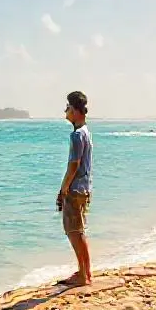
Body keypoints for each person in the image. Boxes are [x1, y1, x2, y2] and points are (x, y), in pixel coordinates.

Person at [57, 90, 93, 286]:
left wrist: (63, 188)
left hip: (75, 189)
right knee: (79, 231)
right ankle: (85, 272)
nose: (66, 111)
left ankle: (83, 275)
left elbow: (74, 165)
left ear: (76, 110)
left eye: (68, 108)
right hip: (84, 187)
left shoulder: (77, 135)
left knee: (74, 232)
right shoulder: (85, 132)